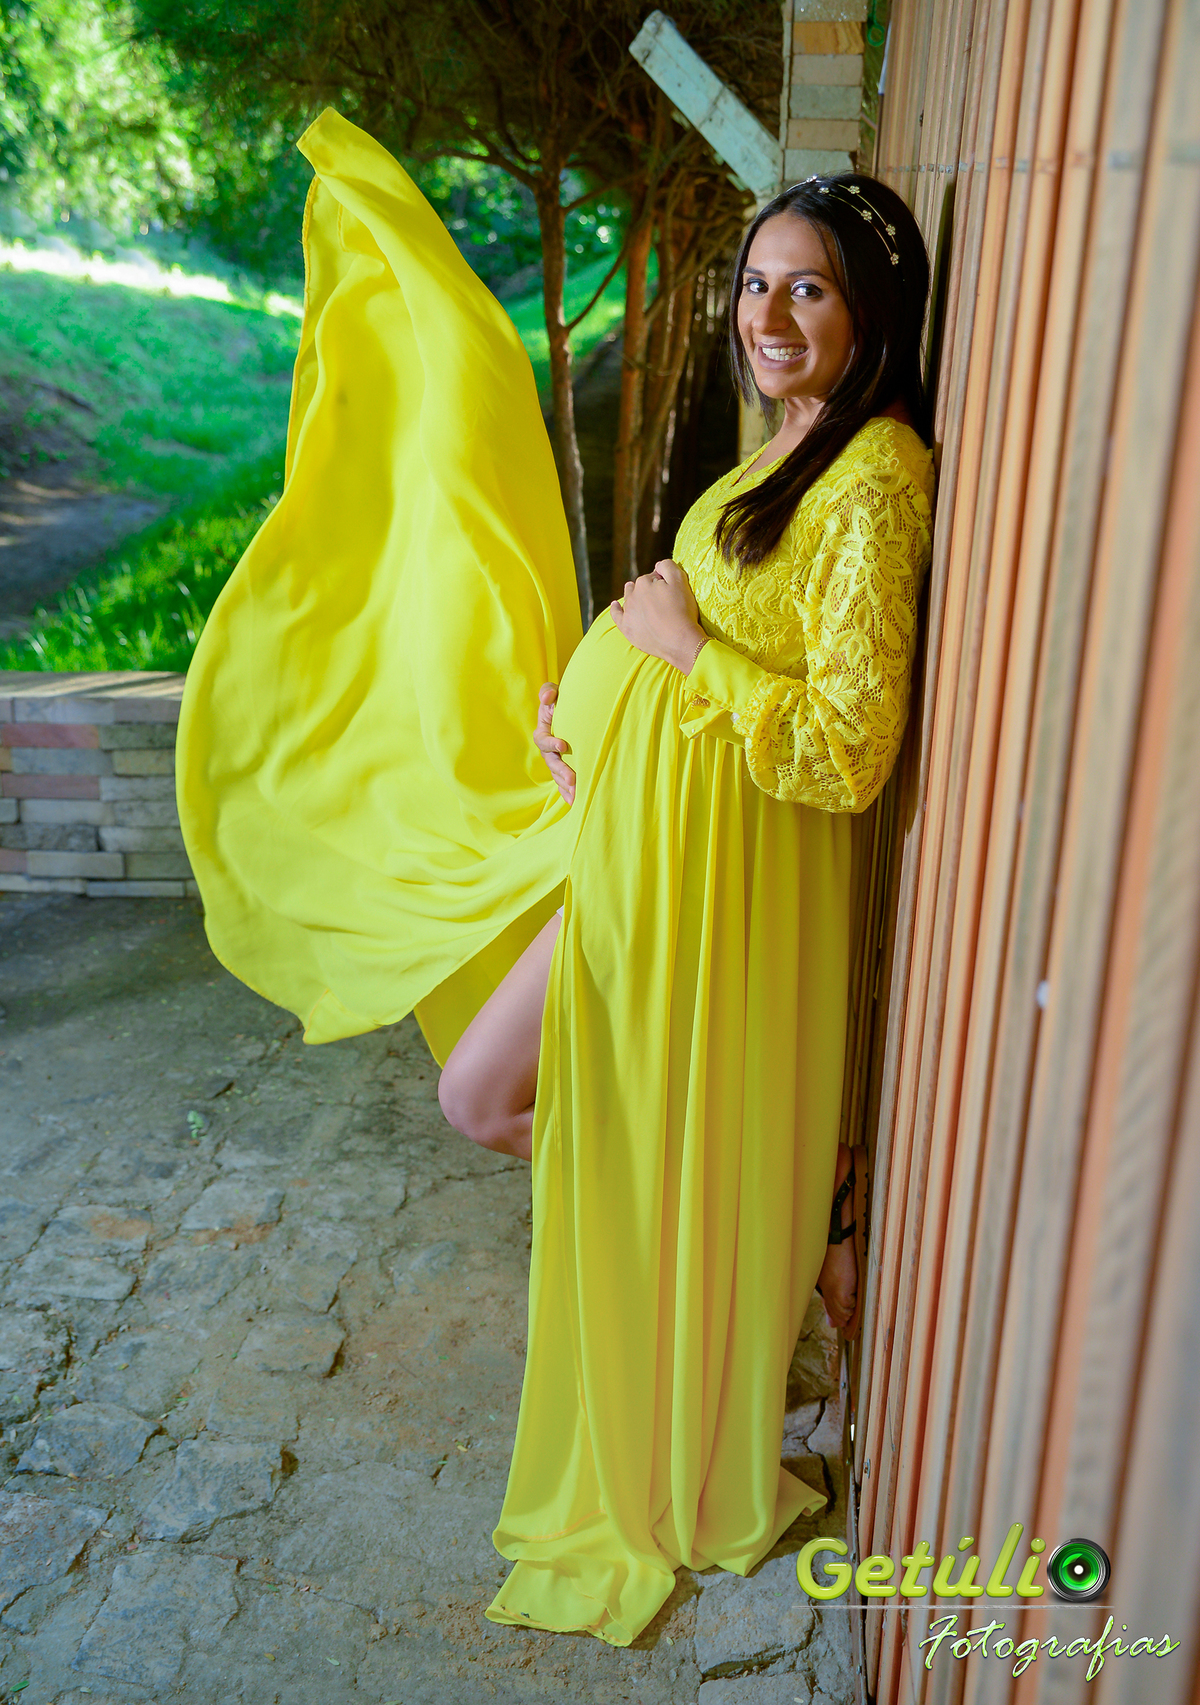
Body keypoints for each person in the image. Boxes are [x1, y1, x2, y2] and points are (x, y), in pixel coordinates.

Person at [176, 111, 933, 1652]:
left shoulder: (877, 476)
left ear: (873, 313)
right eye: (758, 284)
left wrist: (679, 656)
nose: (770, 316)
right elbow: (693, 653)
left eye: (809, 290)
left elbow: (850, 747)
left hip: (717, 897)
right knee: (490, 1096)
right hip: (640, 852)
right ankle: (758, 1263)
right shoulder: (788, 446)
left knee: (498, 1098)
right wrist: (594, 724)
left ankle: (761, 1271)